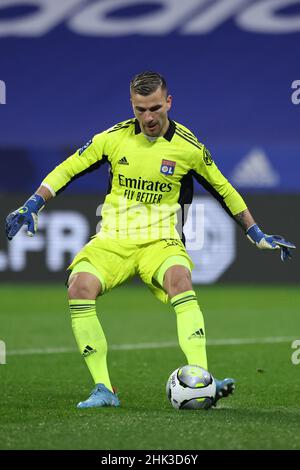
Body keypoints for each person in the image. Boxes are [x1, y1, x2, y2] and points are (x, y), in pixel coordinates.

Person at [5, 71, 295, 409]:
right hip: (112, 239)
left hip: (161, 241)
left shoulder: (188, 147)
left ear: (168, 102)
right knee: (78, 287)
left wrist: (254, 232)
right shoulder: (112, 139)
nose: (148, 118)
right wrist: (33, 202)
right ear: (132, 105)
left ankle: (201, 380)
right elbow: (68, 168)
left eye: (155, 108)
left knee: (180, 280)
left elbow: (224, 189)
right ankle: (103, 388)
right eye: (140, 110)